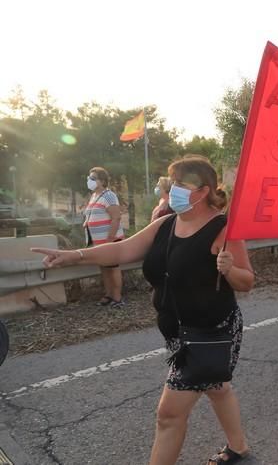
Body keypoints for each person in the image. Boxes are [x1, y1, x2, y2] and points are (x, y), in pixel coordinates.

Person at [32, 155, 254, 465]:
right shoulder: (166, 223)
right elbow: (123, 249)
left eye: (180, 184)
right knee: (217, 387)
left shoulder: (223, 228)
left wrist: (229, 269)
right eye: (172, 182)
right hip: (177, 330)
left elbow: (246, 281)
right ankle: (239, 449)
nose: (171, 189)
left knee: (168, 415)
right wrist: (74, 256)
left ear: (202, 191)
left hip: (209, 330)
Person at [84, 167, 125, 307]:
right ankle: (108, 295)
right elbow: (92, 214)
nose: (89, 181)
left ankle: (117, 298)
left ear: (102, 181)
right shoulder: (94, 196)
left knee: (113, 268)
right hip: (98, 242)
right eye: (89, 178)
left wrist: (110, 240)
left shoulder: (109, 195)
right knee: (104, 268)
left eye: (93, 178)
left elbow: (116, 217)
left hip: (109, 241)